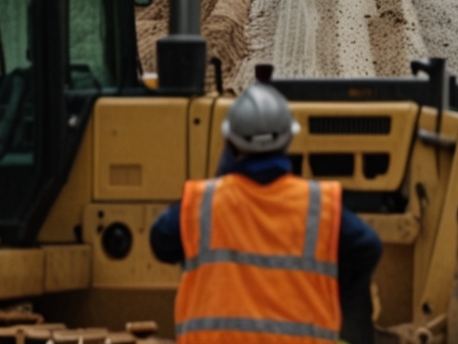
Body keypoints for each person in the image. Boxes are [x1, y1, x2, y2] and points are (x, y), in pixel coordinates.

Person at [150, 82, 383, 344]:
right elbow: (368, 246)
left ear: (231, 143)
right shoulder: (317, 205)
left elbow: (160, 241)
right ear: (288, 139)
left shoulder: (206, 203)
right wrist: (335, 293)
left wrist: (222, 178)